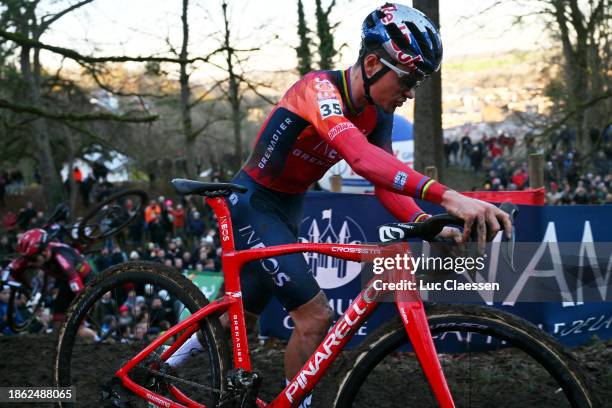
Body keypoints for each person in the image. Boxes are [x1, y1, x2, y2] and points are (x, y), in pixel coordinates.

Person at [166, 4, 511, 406]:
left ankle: (161, 367)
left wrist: (427, 221)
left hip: (286, 208)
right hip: (253, 203)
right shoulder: (318, 90)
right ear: (371, 63)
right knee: (314, 317)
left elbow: (384, 181)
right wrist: (450, 196)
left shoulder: (376, 113)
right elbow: (360, 158)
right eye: (409, 78)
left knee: (234, 320)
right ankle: (161, 372)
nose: (412, 92)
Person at [1, 228, 92, 328]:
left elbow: (75, 283)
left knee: (76, 328)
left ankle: (95, 337)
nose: (29, 262)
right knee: (58, 324)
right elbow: (12, 268)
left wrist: (84, 304)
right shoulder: (37, 254)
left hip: (84, 280)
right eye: (27, 258)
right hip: (66, 282)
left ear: (45, 251)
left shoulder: (60, 256)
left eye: (32, 258)